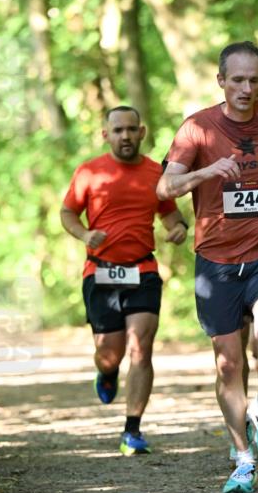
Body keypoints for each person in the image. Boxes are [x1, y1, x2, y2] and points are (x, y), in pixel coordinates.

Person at [157, 41, 258, 493]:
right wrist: (207, 173)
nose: (247, 88)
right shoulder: (197, 128)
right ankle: (243, 457)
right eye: (238, 80)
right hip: (216, 259)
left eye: (255, 80)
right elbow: (165, 187)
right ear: (221, 81)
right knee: (227, 365)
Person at [61, 105, 188, 455]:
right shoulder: (89, 172)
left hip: (143, 270)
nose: (126, 136)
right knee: (109, 352)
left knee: (140, 348)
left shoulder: (154, 173)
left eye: (132, 129)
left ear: (142, 132)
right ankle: (106, 372)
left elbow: (171, 215)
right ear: (106, 135)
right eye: (118, 130)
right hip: (100, 272)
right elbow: (68, 212)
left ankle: (132, 429)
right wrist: (84, 235)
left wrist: (178, 229)